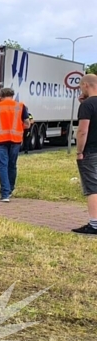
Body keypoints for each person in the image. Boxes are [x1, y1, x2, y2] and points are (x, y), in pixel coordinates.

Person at [0, 87, 31, 202]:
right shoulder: (20, 106)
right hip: (15, 139)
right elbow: (27, 124)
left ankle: (5, 194)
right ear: (12, 95)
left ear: (0, 96)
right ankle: (10, 189)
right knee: (12, 165)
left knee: (2, 166)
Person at [73, 74, 97, 234]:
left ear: (86, 85)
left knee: (92, 187)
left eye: (81, 86)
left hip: (91, 151)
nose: (81, 89)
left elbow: (83, 131)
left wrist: (79, 151)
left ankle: (94, 224)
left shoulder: (87, 105)